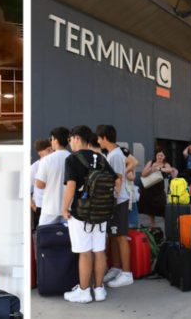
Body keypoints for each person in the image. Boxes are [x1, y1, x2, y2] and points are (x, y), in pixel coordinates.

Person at [61, 126, 118, 303]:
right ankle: (99, 290)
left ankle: (84, 291)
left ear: (77, 138)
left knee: (85, 253)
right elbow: (115, 179)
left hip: (81, 213)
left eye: (70, 140)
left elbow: (71, 186)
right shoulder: (100, 158)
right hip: (102, 212)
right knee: (99, 251)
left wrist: (64, 208)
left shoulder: (72, 159)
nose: (70, 144)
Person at [96, 125, 133, 288]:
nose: (98, 141)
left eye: (98, 138)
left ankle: (126, 273)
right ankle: (117, 268)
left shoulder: (116, 156)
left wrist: (112, 201)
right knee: (113, 236)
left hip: (118, 202)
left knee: (121, 237)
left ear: (104, 137)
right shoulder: (112, 154)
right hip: (114, 202)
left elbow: (118, 180)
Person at [35, 127, 70, 226]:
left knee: (46, 238)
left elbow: (39, 184)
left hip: (50, 208)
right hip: (68, 208)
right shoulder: (73, 158)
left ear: (55, 140)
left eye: (51, 139)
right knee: (67, 239)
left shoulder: (47, 160)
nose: (51, 142)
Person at [139, 150, 175, 228]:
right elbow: (143, 174)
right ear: (156, 156)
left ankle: (168, 226)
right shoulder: (151, 162)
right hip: (149, 188)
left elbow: (170, 170)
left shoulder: (166, 164)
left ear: (164, 157)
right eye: (158, 155)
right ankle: (153, 226)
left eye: (161, 155)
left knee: (162, 207)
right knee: (150, 208)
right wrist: (151, 169)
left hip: (159, 189)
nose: (159, 157)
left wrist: (159, 169)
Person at [30, 138, 53, 230]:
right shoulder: (34, 167)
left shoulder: (54, 163)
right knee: (42, 234)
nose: (51, 152)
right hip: (40, 206)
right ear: (40, 153)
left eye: (52, 149)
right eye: (48, 150)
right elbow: (26, 189)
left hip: (54, 206)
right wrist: (34, 206)